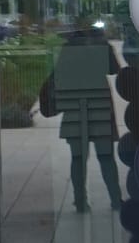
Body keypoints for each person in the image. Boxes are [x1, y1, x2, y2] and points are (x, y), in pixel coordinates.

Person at [50, 23, 122, 213]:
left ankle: (80, 200)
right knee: (106, 156)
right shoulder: (101, 45)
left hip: (74, 104)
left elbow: (58, 74)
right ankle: (115, 199)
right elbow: (115, 69)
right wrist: (103, 43)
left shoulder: (69, 48)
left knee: (78, 158)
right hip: (99, 104)